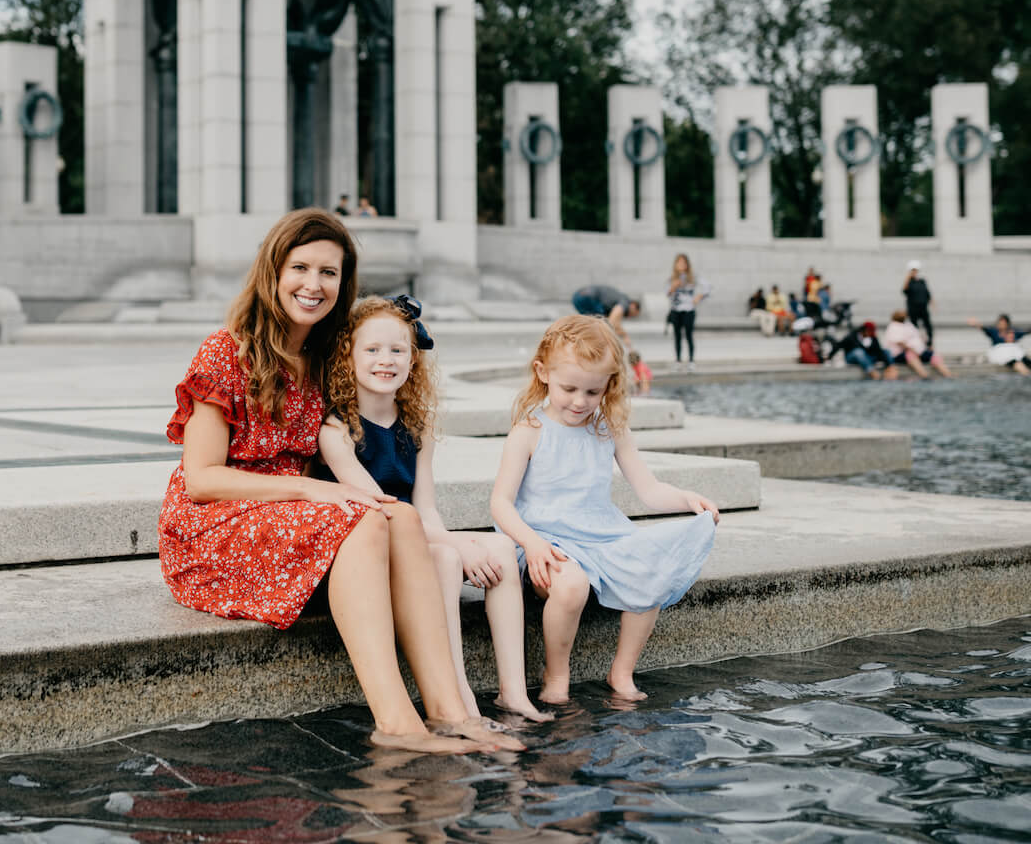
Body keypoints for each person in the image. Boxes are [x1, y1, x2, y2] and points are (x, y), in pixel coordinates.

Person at [157, 208, 519, 754]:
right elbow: (203, 480)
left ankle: (448, 711)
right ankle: (397, 724)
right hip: (213, 525)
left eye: (329, 272)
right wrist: (313, 488)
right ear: (272, 272)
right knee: (367, 517)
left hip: (291, 517)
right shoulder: (227, 350)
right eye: (300, 267)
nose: (313, 284)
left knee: (399, 513)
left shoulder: (325, 357)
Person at [318, 295, 551, 723]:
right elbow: (385, 510)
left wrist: (455, 541)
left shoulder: (415, 424)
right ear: (347, 357)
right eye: (371, 350)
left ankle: (513, 693)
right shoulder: (336, 429)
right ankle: (456, 697)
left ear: (412, 360)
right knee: (445, 557)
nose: (385, 360)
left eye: (397, 350)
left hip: (415, 534)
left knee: (499, 548)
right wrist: (455, 547)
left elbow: (424, 508)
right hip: (371, 549)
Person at [489, 315, 718, 703]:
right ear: (542, 373)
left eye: (593, 392)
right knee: (572, 585)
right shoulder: (530, 430)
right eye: (569, 388)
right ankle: (557, 673)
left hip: (601, 535)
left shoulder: (608, 428)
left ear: (609, 385)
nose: (580, 401)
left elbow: (648, 489)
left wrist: (686, 499)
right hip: (545, 539)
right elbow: (500, 503)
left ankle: (622, 670)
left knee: (652, 570)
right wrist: (532, 544)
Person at [666, 253, 709, 374]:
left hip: (689, 310)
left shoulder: (693, 277)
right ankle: (678, 361)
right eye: (679, 262)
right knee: (677, 336)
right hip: (676, 310)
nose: (681, 265)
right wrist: (673, 287)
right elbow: (667, 294)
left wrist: (699, 297)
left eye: (683, 263)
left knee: (689, 335)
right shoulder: (671, 279)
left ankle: (691, 361)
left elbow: (707, 287)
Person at [967, 314, 1031, 374]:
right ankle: (1028, 377)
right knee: (1018, 365)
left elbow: (1028, 331)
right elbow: (983, 328)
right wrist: (975, 323)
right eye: (1000, 323)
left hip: (1015, 353)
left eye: (1003, 323)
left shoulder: (1013, 332)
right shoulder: (994, 332)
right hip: (1004, 355)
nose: (1001, 325)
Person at [882, 309, 951, 379]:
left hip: (918, 351)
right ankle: (924, 375)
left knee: (933, 355)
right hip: (902, 353)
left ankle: (948, 374)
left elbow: (918, 337)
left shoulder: (908, 325)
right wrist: (912, 349)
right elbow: (899, 342)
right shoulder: (893, 326)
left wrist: (925, 346)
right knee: (910, 354)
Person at [571, 284, 641, 334]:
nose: (630, 316)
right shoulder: (625, 301)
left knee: (590, 322)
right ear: (633, 306)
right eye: (634, 314)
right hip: (588, 297)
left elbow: (616, 320)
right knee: (600, 322)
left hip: (576, 297)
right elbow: (615, 316)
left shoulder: (617, 299)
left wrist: (622, 333)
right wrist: (610, 333)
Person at [903, 261, 934, 346]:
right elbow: (904, 290)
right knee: (914, 325)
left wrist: (932, 302)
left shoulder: (922, 281)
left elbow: (927, 292)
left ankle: (929, 341)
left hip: (923, 306)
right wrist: (908, 278)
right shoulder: (909, 281)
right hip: (913, 307)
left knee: (927, 324)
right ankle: (916, 341)